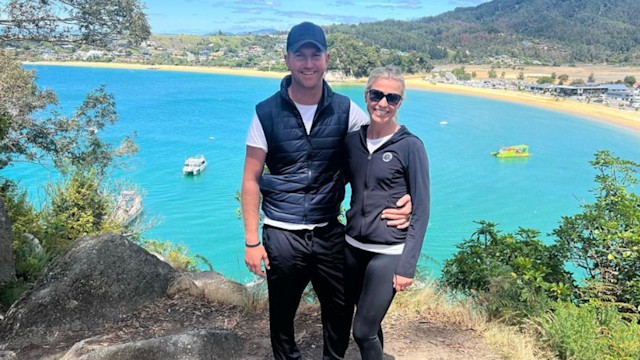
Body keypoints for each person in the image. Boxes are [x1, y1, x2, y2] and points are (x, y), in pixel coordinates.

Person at [241, 22, 412, 360]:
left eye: (315, 55)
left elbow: (381, 144)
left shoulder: (346, 110)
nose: (308, 63)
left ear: (326, 58)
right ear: (287, 59)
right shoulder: (266, 112)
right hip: (282, 231)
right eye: (300, 55)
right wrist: (251, 241)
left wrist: (403, 196)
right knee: (282, 311)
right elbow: (251, 178)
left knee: (339, 308)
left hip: (328, 230)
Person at [344, 65, 430, 360]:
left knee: (362, 331)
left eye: (392, 98)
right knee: (369, 321)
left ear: (399, 104)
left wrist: (408, 266)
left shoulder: (411, 147)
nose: (382, 103)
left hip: (389, 252)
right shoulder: (353, 141)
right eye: (376, 95)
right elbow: (332, 182)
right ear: (366, 95)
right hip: (352, 248)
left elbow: (421, 209)